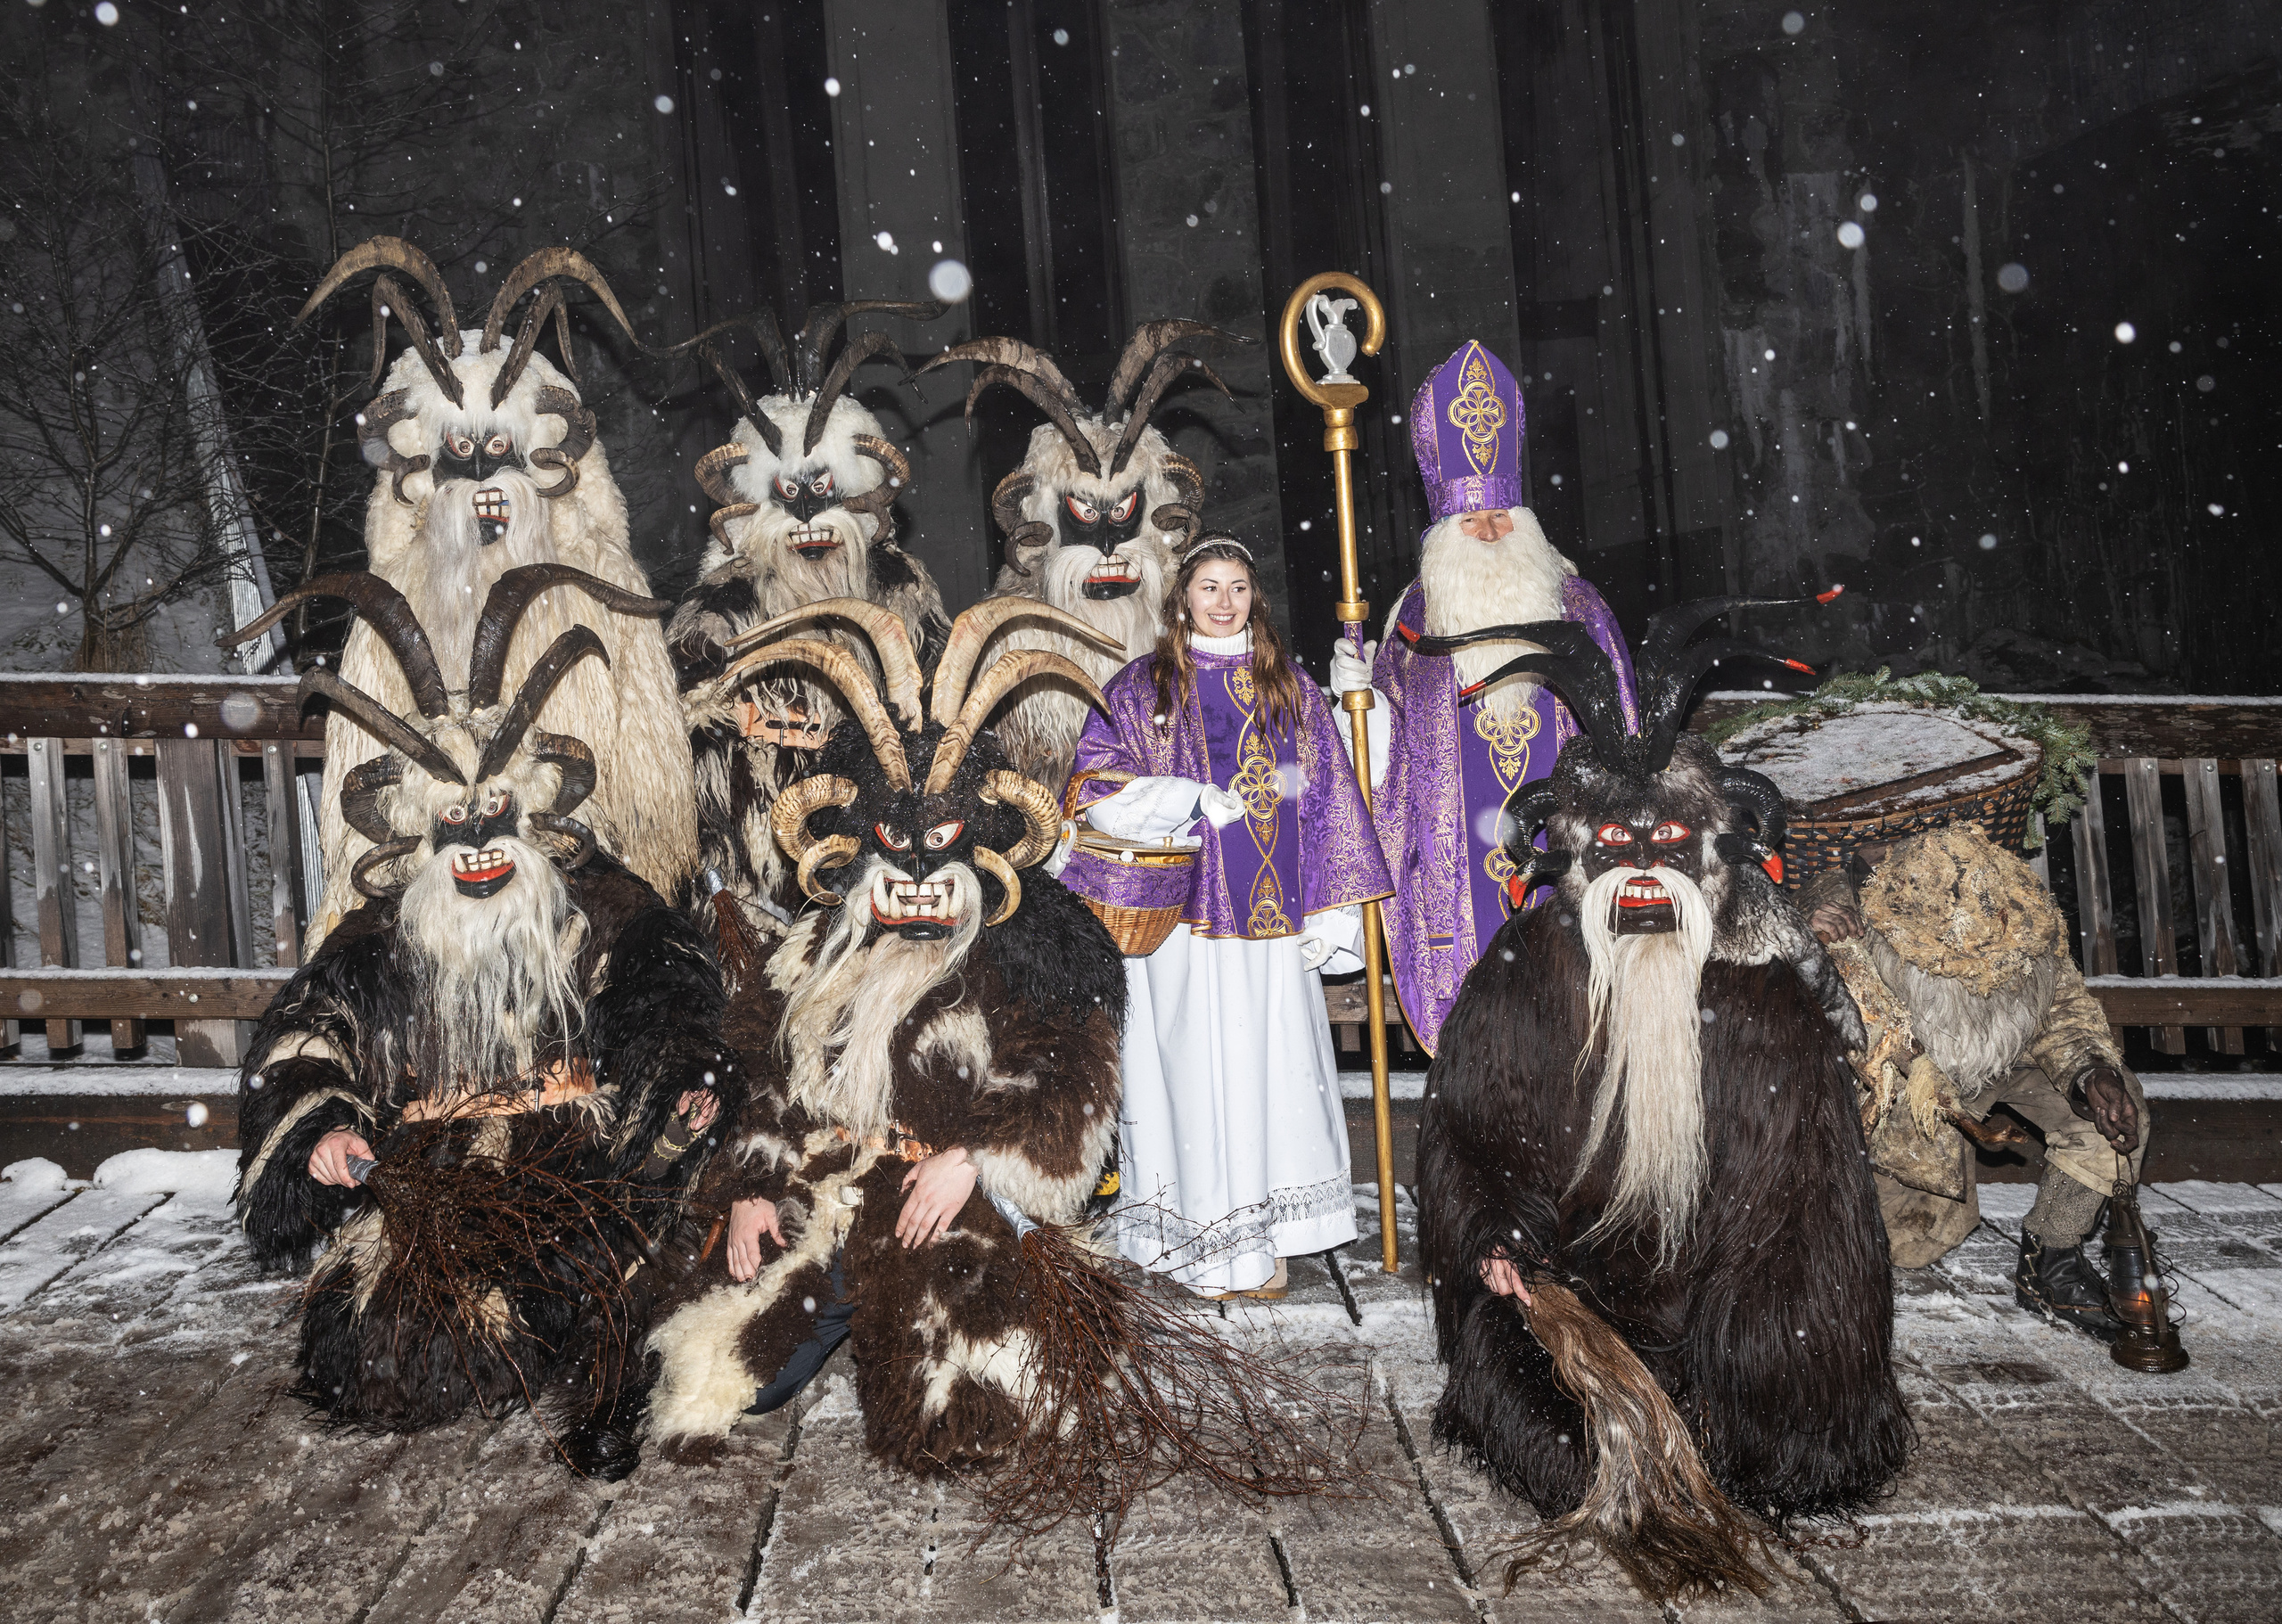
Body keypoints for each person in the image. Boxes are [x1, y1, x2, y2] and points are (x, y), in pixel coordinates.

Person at [1068, 537, 1393, 1298]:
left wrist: (1332, 911)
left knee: (1268, 1078)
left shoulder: (1288, 687)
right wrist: (1179, 798)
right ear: (1183, 597)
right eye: (1209, 587)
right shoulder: (1145, 687)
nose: (1223, 602)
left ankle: (1267, 1242)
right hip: (1178, 928)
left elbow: (1332, 796)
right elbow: (1090, 788)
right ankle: (1198, 1240)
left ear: (1255, 597)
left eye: (1238, 587)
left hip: (1271, 928)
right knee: (1187, 1077)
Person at [1332, 340, 1637, 1055]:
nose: (1492, 533)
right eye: (1473, 523)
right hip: (1454, 876)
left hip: (1569, 867)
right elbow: (1385, 764)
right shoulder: (1412, 623)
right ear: (1444, 534)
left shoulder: (1578, 611)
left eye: (1503, 518)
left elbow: (1622, 734)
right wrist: (1359, 704)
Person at [1804, 823, 2147, 1341]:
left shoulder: (2008, 893)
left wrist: (2089, 1070)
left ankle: (2051, 1266)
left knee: (2115, 1111)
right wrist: (1807, 948)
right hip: (1906, 1090)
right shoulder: (1833, 910)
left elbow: (2061, 1009)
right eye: (1877, 827)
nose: (1892, 837)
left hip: (2007, 1059)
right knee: (1913, 1243)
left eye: (1909, 822)